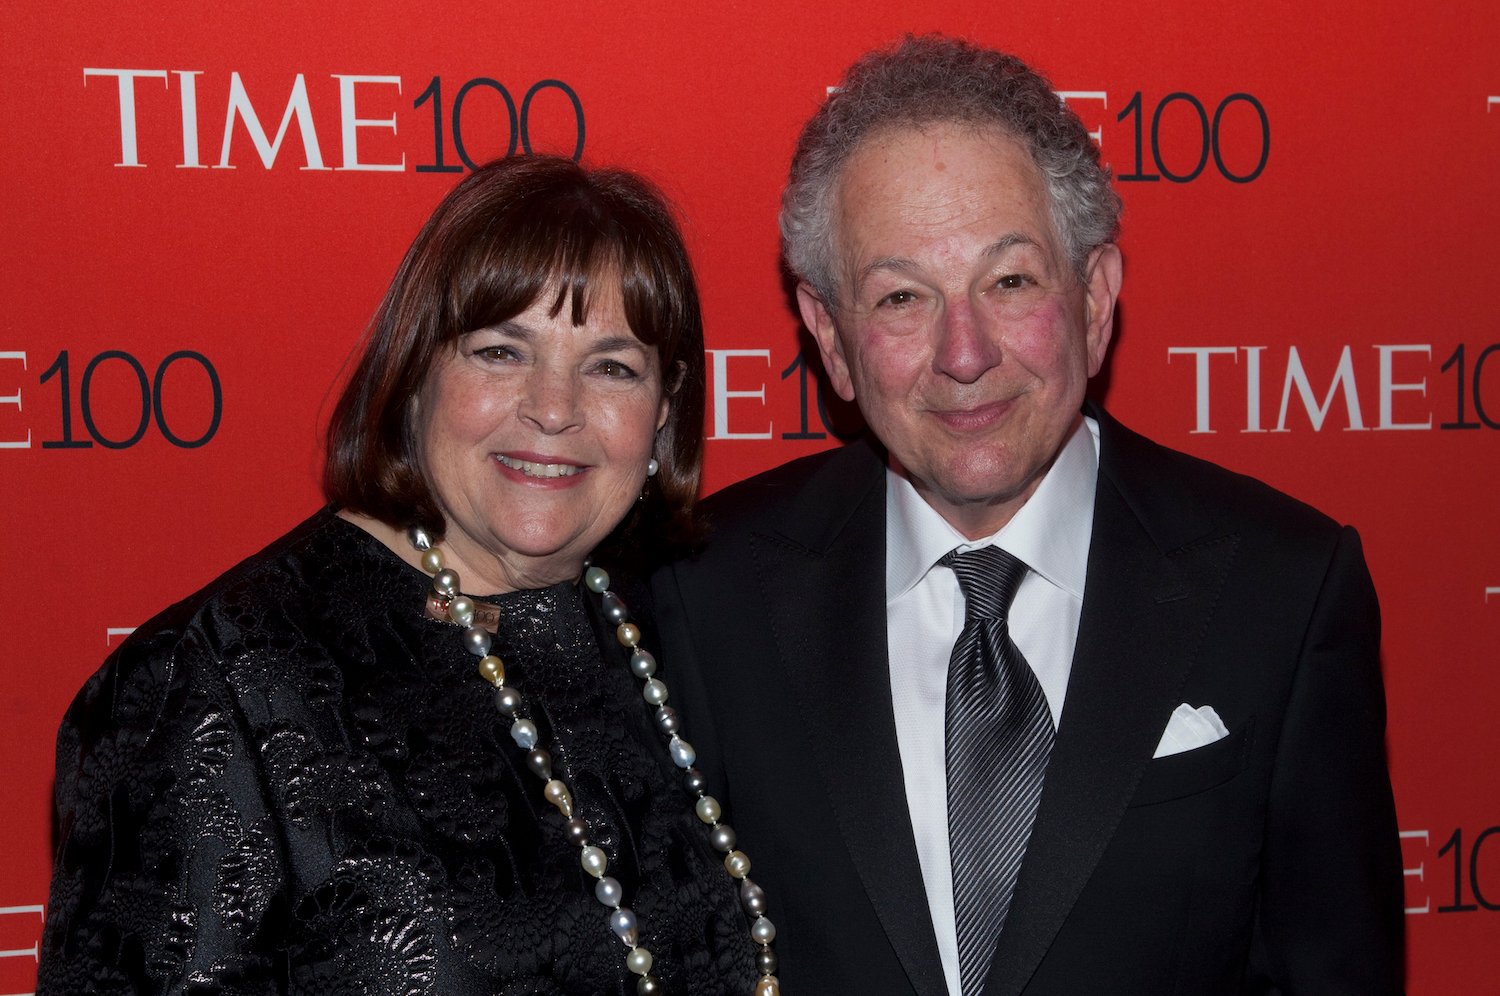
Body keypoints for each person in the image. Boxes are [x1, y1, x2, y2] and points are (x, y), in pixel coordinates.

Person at [653, 36, 1404, 996]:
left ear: (1093, 300)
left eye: (1009, 281)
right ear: (832, 340)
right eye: (900, 297)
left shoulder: (1286, 589)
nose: (964, 353)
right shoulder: (706, 597)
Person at [40, 155, 779, 995]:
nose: (554, 407)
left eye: (613, 366)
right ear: (415, 376)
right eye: (502, 351)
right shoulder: (214, 678)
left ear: (665, 409)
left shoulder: (657, 632)